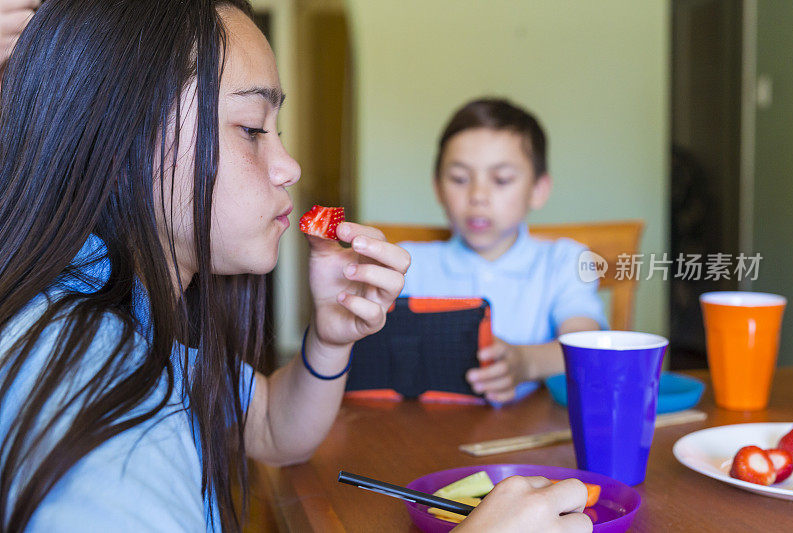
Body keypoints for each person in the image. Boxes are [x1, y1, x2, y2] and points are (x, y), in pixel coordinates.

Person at [0, 2, 590, 532]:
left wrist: (329, 337)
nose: (290, 167)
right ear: (119, 139)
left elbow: (273, 430)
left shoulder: (135, 322)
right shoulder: (93, 374)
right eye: (253, 129)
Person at [400, 98, 607, 404]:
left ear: (538, 190)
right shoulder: (408, 263)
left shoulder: (564, 260)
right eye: (459, 179)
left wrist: (526, 363)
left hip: (528, 430)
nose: (478, 196)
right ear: (438, 188)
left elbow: (586, 345)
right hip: (426, 431)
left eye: (501, 179)